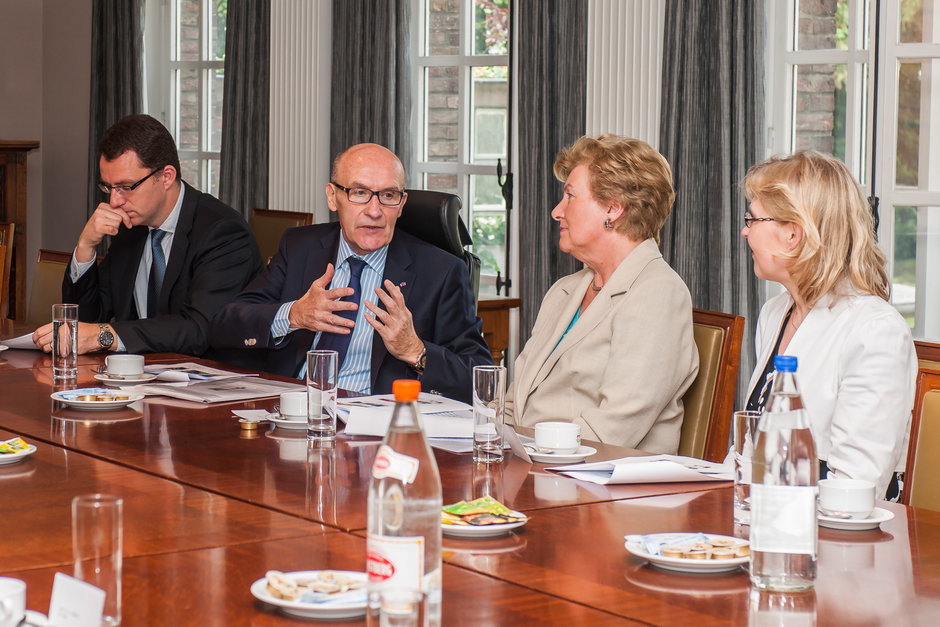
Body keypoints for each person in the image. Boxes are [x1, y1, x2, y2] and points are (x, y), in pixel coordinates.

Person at [208, 143, 491, 403]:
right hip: (290, 409)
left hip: (374, 423)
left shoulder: (441, 271)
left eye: (388, 195)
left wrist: (416, 350)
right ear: (333, 197)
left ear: (402, 204)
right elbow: (226, 324)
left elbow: (480, 379)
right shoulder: (300, 247)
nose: (374, 211)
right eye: (359, 193)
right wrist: (293, 315)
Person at [505, 135, 699, 453]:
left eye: (570, 196)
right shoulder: (564, 290)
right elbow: (514, 402)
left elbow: (614, 428)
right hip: (534, 464)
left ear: (613, 208)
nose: (556, 211)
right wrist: (493, 444)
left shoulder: (658, 293)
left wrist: (523, 456)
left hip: (598, 475)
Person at [741, 150, 917, 500]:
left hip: (835, 527)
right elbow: (751, 452)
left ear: (793, 234)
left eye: (753, 219)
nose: (745, 232)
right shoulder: (776, 312)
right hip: (765, 513)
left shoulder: (875, 330)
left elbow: (856, 486)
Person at [31, 114, 262, 357]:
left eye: (126, 187)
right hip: (140, 371)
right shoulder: (131, 226)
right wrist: (85, 246)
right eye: (108, 187)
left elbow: (200, 329)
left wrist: (105, 335)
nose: (114, 201)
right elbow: (86, 321)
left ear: (166, 177)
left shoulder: (223, 232)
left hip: (210, 373)